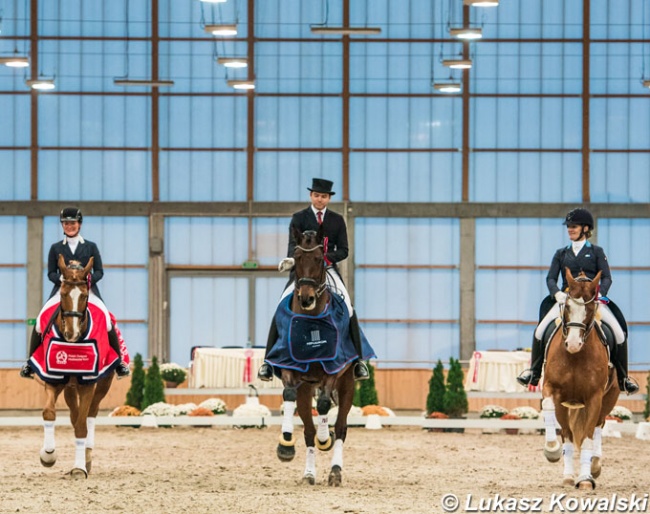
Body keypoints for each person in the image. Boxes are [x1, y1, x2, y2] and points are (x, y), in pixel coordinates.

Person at [258, 178, 370, 381]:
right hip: (301, 272)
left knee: (349, 307)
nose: (320, 199)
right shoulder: (299, 218)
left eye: (324, 196)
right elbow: (293, 245)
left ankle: (358, 362)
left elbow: (344, 250)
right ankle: (267, 362)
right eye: (317, 195)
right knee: (280, 307)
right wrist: (292, 260)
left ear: (328, 199)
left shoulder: (336, 220)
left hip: (327, 269)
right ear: (311, 196)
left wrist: (324, 259)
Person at [517, 207, 639, 394]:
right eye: (569, 227)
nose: (570, 230)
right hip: (567, 300)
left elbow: (607, 277)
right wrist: (557, 293)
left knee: (619, 333)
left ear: (585, 228)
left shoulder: (597, 252)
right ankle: (533, 373)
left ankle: (623, 379)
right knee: (540, 331)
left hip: (591, 300)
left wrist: (600, 293)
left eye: (574, 226)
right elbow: (551, 278)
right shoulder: (561, 253)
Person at [20, 207, 130, 379]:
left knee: (107, 321)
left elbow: (99, 271)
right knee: (40, 321)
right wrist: (62, 281)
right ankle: (30, 363)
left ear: (79, 224)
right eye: (66, 223)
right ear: (62, 225)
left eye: (72, 223)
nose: (69, 226)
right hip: (62, 290)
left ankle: (119, 363)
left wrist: (87, 282)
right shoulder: (55, 248)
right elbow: (51, 273)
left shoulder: (90, 247)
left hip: (87, 291)